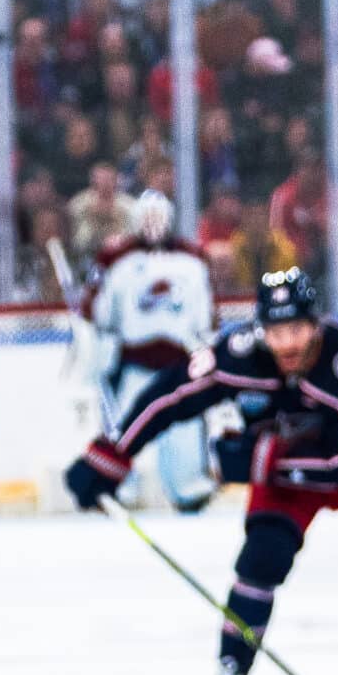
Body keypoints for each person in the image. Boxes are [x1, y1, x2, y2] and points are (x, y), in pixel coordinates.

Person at [65, 269, 338, 675]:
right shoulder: (240, 353)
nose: (286, 343)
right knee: (259, 561)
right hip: (289, 479)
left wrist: (265, 462)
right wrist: (111, 454)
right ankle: (233, 665)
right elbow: (171, 393)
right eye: (275, 331)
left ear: (316, 324)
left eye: (297, 330)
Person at [77, 189, 219, 512]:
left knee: (183, 427)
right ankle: (119, 488)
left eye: (159, 217)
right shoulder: (116, 257)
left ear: (170, 219)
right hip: (134, 364)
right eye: (147, 217)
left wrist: (206, 348)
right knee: (126, 427)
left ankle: (189, 489)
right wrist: (98, 343)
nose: (153, 224)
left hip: (179, 364)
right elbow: (99, 310)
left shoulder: (193, 258)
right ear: (135, 220)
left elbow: (206, 313)